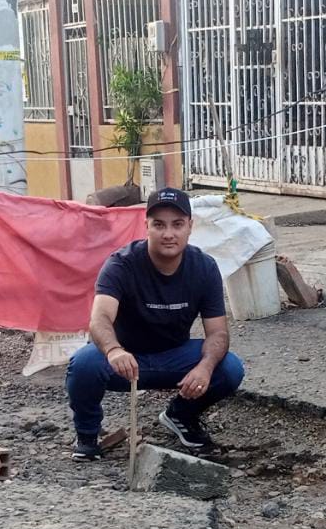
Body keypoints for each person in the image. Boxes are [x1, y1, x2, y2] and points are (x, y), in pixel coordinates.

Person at [65, 187, 246, 462]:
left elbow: (218, 332)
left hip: (174, 357)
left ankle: (180, 416)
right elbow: (99, 318)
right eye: (159, 225)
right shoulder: (121, 264)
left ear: (190, 227)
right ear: (146, 225)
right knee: (84, 364)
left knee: (229, 368)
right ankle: (88, 434)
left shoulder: (205, 268)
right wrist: (114, 350)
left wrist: (204, 368)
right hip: (125, 359)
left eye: (177, 224)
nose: (168, 234)